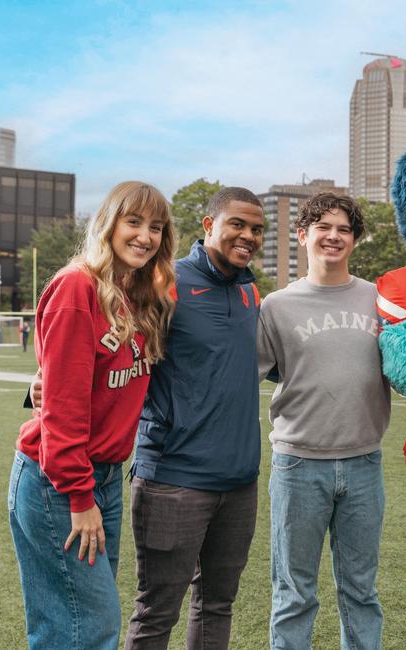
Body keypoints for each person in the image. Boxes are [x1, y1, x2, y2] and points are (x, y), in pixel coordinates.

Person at [8, 181, 176, 650]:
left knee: (72, 624)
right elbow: (62, 408)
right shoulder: (76, 286)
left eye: (156, 227)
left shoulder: (140, 293)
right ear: (109, 224)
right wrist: (80, 498)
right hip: (59, 482)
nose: (145, 236)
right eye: (134, 222)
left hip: (104, 477)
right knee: (89, 627)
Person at [124, 186, 267, 650]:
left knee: (217, 605)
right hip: (174, 480)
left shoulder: (250, 290)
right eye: (237, 225)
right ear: (209, 226)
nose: (248, 236)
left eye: (257, 229)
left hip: (239, 482)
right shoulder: (164, 281)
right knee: (156, 612)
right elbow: (110, 344)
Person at [257, 192, 391, 650]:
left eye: (344, 229)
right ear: (302, 235)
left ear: (354, 239)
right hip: (298, 466)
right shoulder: (276, 305)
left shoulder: (379, 298)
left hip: (364, 463)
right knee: (294, 592)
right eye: (323, 228)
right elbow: (244, 374)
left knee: (361, 591)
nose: (333, 236)